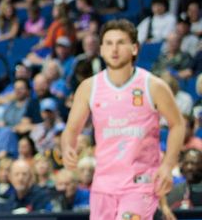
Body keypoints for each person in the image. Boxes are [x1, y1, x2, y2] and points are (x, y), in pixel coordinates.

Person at [62, 19, 184, 220]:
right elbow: (71, 129)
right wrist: (68, 147)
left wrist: (167, 165)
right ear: (101, 49)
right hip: (103, 185)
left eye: (121, 42)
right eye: (108, 43)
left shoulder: (153, 85)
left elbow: (177, 124)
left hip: (141, 184)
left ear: (134, 48)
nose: (114, 49)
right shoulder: (89, 88)